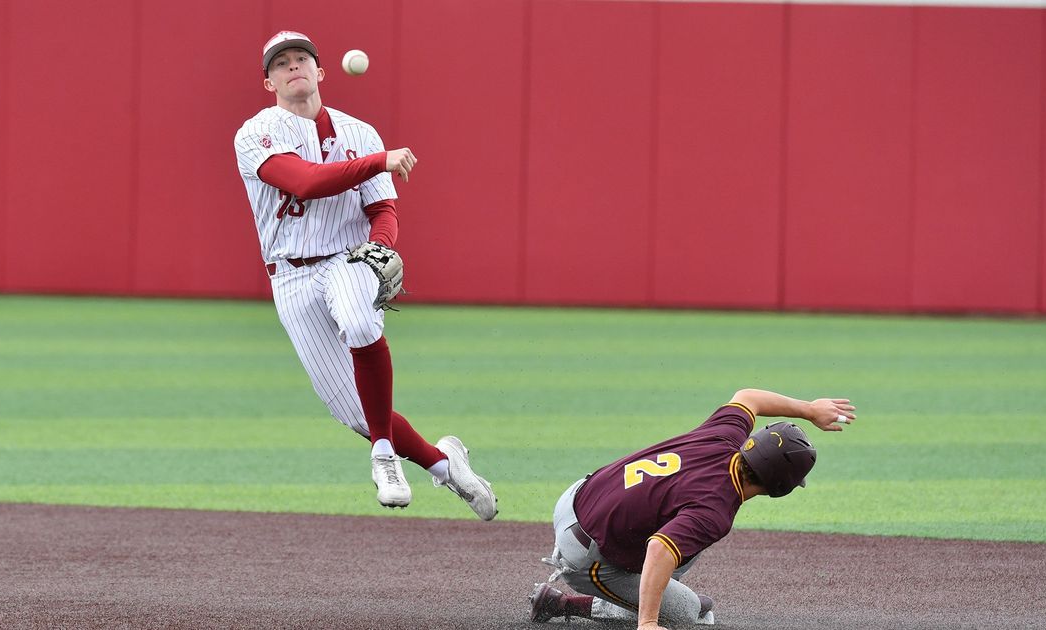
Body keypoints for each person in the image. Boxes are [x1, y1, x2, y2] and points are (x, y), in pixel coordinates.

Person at [233, 31, 497, 520]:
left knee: (358, 321)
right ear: (268, 81)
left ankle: (382, 457)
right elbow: (304, 182)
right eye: (282, 63)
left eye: (302, 60)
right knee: (352, 411)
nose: (294, 67)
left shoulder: (361, 133)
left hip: (347, 259)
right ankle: (445, 467)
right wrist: (381, 160)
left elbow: (382, 209)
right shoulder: (255, 134)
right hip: (289, 277)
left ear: (321, 72)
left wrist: (379, 249)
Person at [529, 388, 856, 627]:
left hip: (579, 496)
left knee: (680, 540)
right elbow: (658, 549)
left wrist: (809, 409)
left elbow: (749, 397)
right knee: (688, 611)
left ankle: (635, 589)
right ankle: (562, 604)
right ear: (781, 487)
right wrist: (648, 622)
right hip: (583, 553)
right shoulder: (715, 510)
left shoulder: (725, 435)